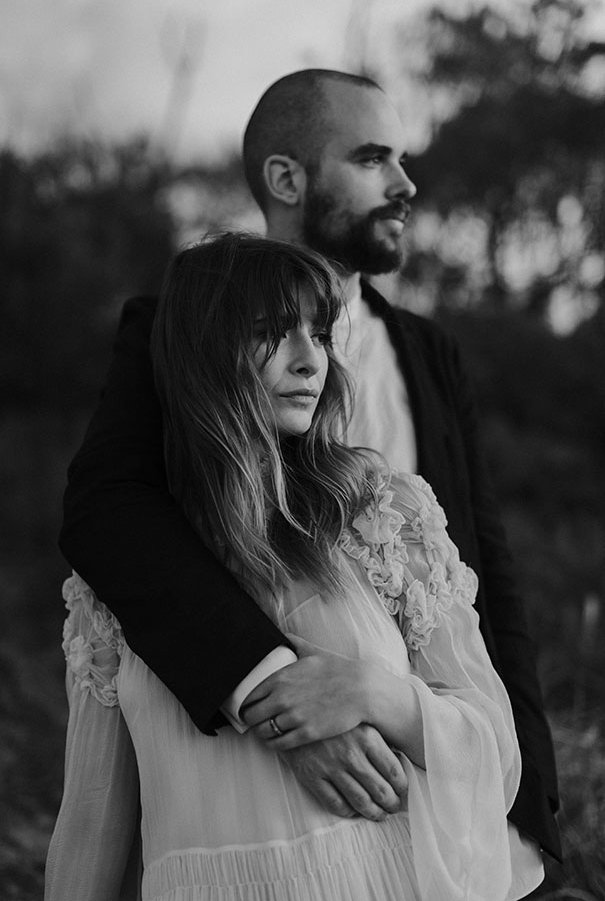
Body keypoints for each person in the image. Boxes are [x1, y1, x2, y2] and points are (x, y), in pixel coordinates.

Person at [57, 69, 561, 867]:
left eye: (402, 159)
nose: (405, 184)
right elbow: (108, 512)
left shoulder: (429, 351)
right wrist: (270, 688)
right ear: (287, 179)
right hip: (237, 821)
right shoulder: (170, 330)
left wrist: (533, 813)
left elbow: (487, 581)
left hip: (454, 822)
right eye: (372, 158)